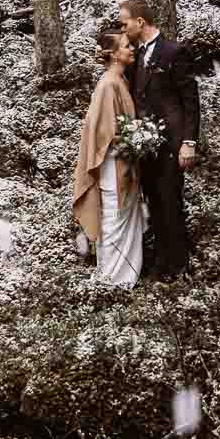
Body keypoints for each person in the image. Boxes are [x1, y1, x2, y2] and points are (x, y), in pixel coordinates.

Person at [118, 0, 200, 279]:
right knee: (153, 201)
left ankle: (178, 264)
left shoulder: (174, 52)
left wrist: (189, 142)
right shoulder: (135, 56)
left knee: (170, 202)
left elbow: (190, 101)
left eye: (125, 23)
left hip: (172, 145)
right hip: (145, 147)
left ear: (140, 22)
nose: (123, 29)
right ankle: (160, 261)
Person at [70, 27, 147, 287]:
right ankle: (113, 279)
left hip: (123, 160)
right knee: (114, 217)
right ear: (114, 55)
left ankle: (122, 276)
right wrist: (135, 139)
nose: (132, 49)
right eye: (126, 46)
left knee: (121, 216)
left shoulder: (121, 80)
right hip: (113, 164)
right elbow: (102, 134)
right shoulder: (108, 84)